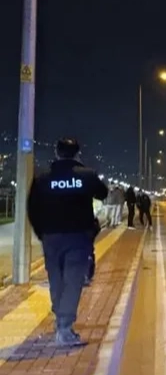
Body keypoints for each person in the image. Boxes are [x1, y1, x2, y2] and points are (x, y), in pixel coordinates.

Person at [27, 137, 108, 347]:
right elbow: (103, 193)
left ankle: (60, 319)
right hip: (78, 237)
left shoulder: (43, 178)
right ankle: (64, 328)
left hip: (51, 237)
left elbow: (32, 208)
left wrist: (41, 233)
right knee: (73, 280)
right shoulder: (86, 175)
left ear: (57, 153)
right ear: (77, 153)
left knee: (56, 279)